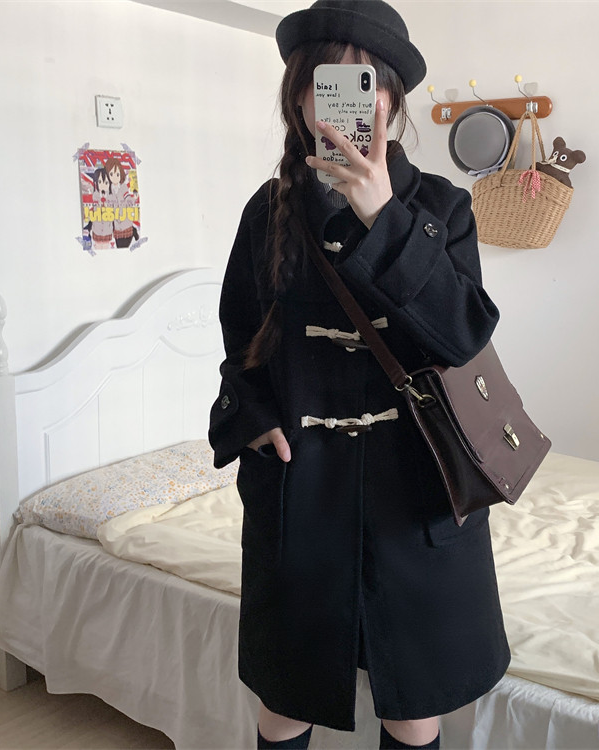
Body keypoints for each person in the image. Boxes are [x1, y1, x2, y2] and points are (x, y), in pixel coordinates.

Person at [208, 2, 510, 748]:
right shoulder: (268, 212)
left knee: (412, 704)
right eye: (324, 82)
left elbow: (464, 334)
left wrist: (386, 220)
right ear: (299, 98)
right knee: (287, 700)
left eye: (362, 82)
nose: (342, 100)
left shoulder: (442, 207)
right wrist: (253, 421)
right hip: (300, 487)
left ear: (390, 99)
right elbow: (240, 340)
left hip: (416, 488)